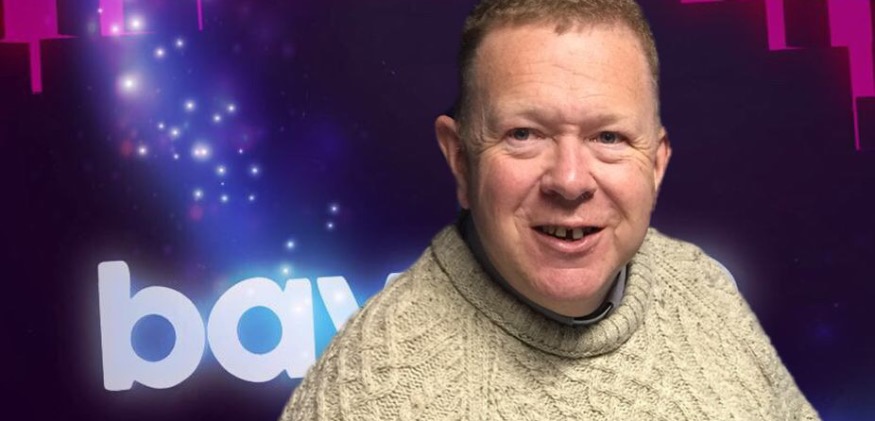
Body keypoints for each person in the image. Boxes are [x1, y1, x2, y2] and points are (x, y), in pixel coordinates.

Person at [281, 0, 820, 419]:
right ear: (461, 159)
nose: (570, 180)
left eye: (608, 137)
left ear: (655, 165)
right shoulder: (370, 396)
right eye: (524, 134)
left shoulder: (702, 286)